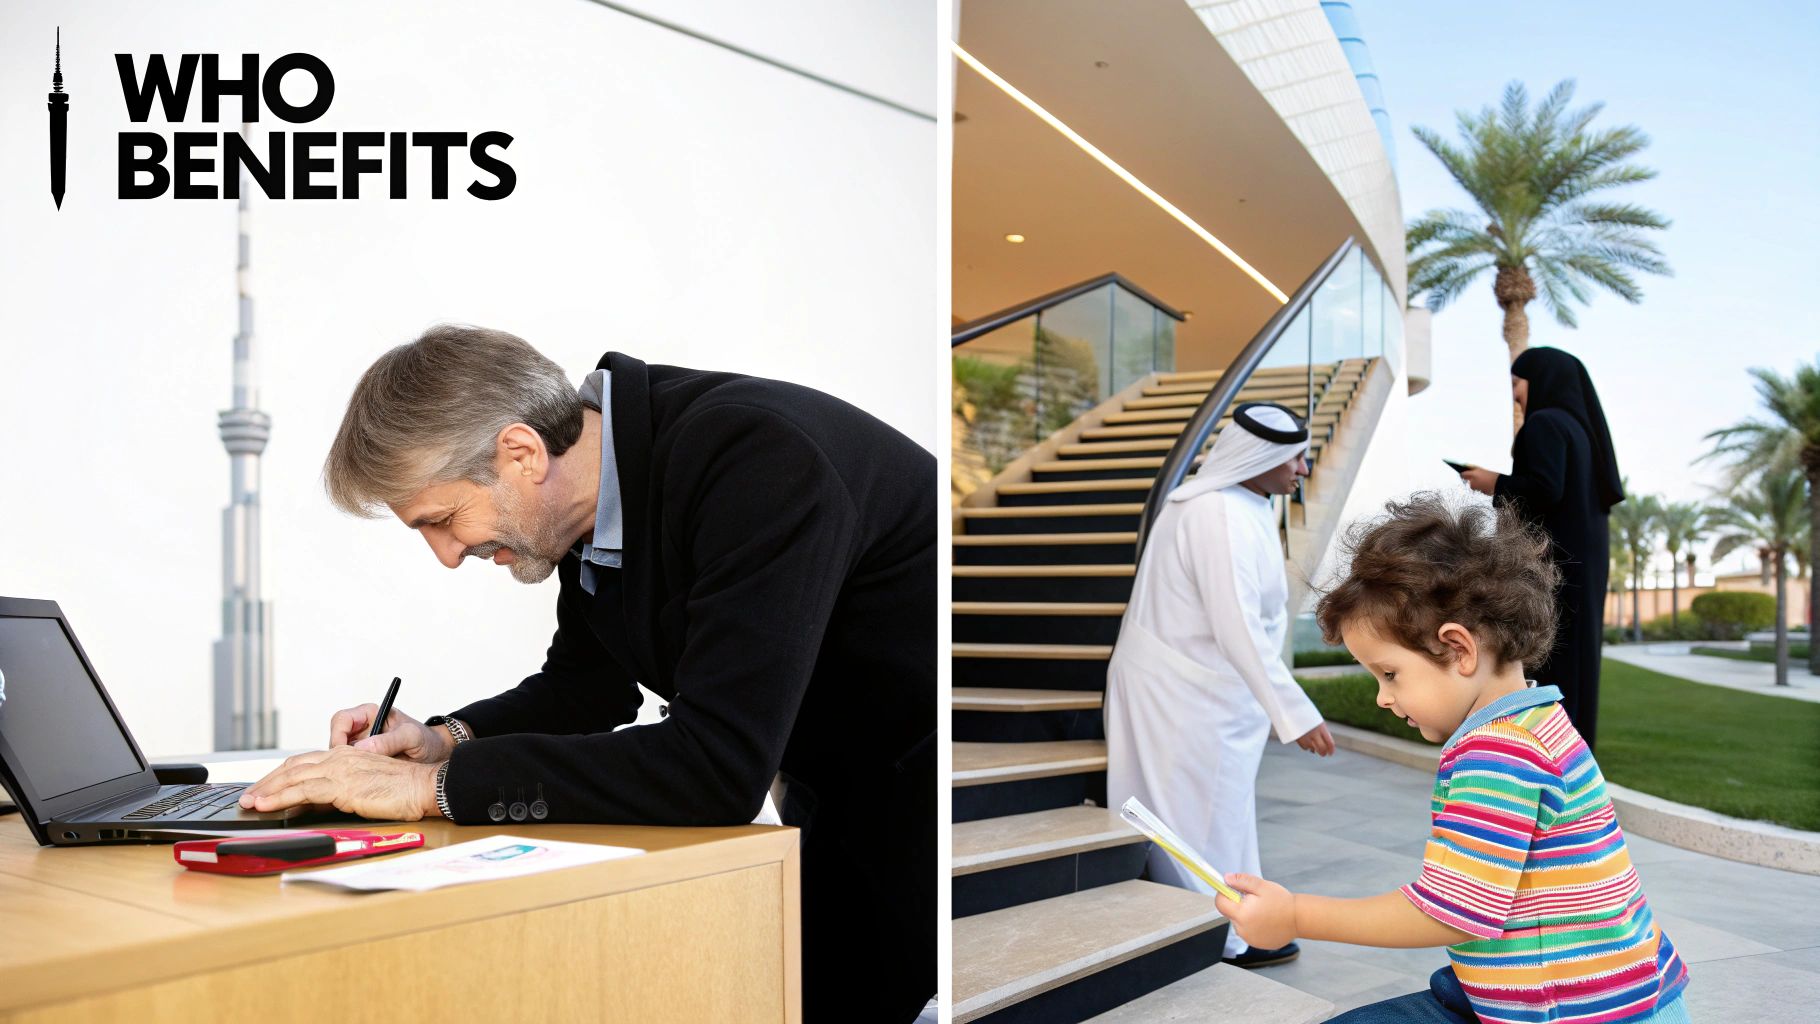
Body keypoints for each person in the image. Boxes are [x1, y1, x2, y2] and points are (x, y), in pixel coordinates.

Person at [237, 325, 936, 1022]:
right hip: (837, 767)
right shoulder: (595, 500)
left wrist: (428, 789)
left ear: (521, 453)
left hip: (933, 776)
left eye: (444, 520)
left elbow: (716, 769)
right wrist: (445, 741)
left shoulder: (757, 462)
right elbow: (586, 687)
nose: (447, 556)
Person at [1215, 494, 1690, 1024]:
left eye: (1389, 673)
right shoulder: (1538, 720)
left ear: (1460, 649)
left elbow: (1453, 911)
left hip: (1578, 1012)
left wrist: (1296, 915)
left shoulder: (1497, 752)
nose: (1382, 697)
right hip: (1605, 993)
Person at [1105, 401, 1336, 970]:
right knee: (1192, 817)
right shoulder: (1213, 511)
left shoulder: (1242, 504)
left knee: (1216, 816)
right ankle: (1220, 938)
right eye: (1295, 457)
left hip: (1206, 693)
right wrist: (1296, 712)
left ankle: (1235, 926)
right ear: (1260, 456)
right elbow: (1235, 622)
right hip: (1180, 693)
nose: (1303, 469)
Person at [1459, 346, 1623, 749]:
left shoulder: (1545, 424)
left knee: (1550, 663)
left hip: (1553, 572)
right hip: (1582, 568)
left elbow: (1545, 491)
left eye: (1518, 383)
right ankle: (1575, 759)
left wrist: (1493, 482)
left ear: (1541, 380)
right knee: (1578, 667)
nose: (1515, 394)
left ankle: (1544, 760)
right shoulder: (1579, 431)